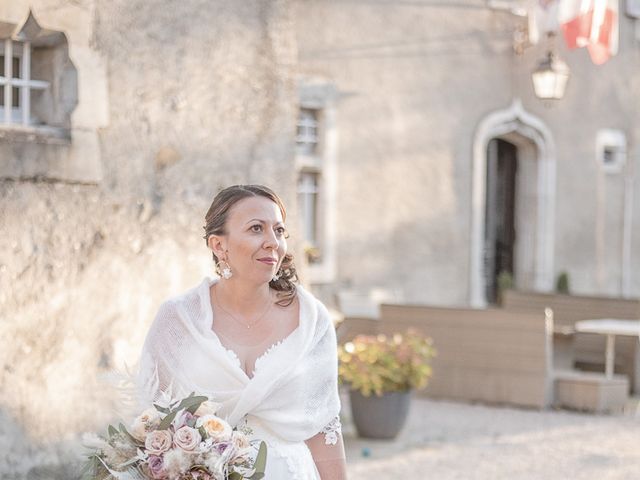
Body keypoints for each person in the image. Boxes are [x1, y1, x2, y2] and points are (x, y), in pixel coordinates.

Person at [138, 185, 347, 479]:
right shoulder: (179, 319)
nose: (273, 242)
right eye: (256, 229)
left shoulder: (311, 321)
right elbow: (152, 423)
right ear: (218, 245)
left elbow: (324, 427)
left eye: (279, 230)